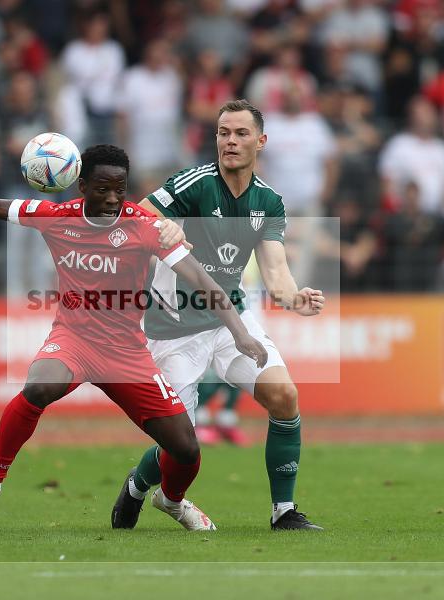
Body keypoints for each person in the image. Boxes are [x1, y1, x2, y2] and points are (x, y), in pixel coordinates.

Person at [0, 145, 268, 531]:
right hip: (74, 339)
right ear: (81, 185)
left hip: (127, 352)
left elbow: (204, 282)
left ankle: (172, 501)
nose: (112, 199)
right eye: (102, 189)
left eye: (120, 190)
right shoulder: (56, 216)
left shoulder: (145, 227)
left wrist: (240, 332)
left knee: (186, 448)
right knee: (39, 387)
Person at [111, 99, 326, 531]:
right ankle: (138, 487)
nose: (230, 141)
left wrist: (292, 298)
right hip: (173, 328)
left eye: (241, 133)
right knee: (182, 444)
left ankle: (284, 511)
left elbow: (276, 272)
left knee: (284, 397)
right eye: (223, 133)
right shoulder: (194, 182)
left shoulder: (268, 201)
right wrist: (163, 227)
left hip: (232, 320)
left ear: (261, 141)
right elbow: (138, 215)